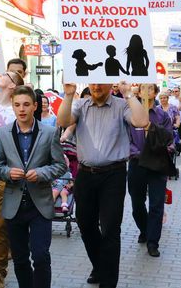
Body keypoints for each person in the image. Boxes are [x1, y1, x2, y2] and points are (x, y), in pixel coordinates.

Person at [57, 82, 148, 288]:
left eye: (101, 81)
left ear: (111, 83)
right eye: (93, 81)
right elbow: (62, 121)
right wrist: (69, 95)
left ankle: (108, 282)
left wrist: (128, 95)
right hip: (85, 175)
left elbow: (142, 121)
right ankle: (99, 265)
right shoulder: (80, 105)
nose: (97, 86)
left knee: (110, 229)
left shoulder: (121, 105)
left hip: (113, 175)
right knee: (86, 225)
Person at [0, 86, 66, 288]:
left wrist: (42, 173)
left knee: (41, 256)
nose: (22, 109)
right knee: (20, 258)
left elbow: (60, 165)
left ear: (35, 106)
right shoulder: (2, 133)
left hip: (40, 204)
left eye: (26, 104)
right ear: (12, 106)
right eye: (17, 105)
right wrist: (8, 173)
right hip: (13, 204)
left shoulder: (50, 132)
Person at [127, 85, 173, 258]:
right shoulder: (129, 114)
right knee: (136, 203)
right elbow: (126, 138)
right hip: (137, 163)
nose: (145, 91)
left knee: (156, 204)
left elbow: (169, 138)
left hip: (157, 164)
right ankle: (144, 229)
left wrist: (165, 146)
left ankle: (153, 242)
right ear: (138, 92)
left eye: (149, 88)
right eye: (142, 88)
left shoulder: (162, 115)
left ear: (155, 92)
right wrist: (137, 153)